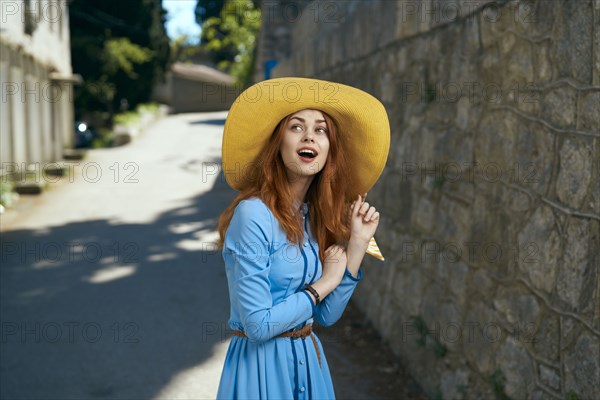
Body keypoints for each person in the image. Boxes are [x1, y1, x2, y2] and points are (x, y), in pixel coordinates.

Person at [215, 77, 390, 399]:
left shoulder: (314, 218)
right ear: (277, 143)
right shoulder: (252, 215)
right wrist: (325, 282)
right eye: (296, 127)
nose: (309, 135)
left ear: (328, 151)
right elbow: (257, 326)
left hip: (310, 364)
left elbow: (326, 315)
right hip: (261, 371)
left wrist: (356, 247)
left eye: (321, 129)